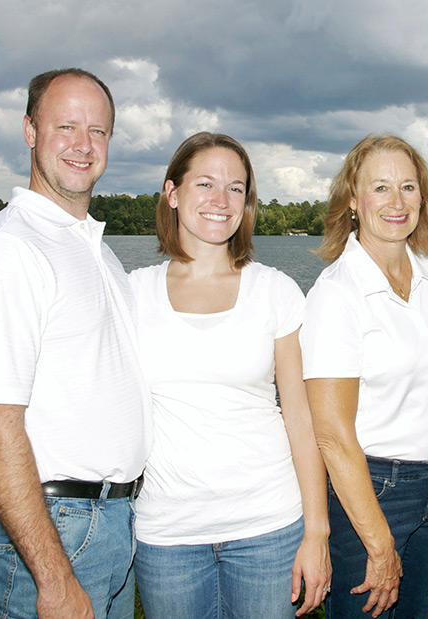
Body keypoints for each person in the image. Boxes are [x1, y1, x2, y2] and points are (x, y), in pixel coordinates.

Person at [0, 68, 151, 619]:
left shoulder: (93, 249)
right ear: (30, 131)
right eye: (66, 126)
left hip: (110, 521)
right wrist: (54, 578)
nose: (83, 145)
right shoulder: (12, 251)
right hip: (56, 528)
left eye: (99, 131)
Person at [128, 132, 330, 618]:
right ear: (172, 194)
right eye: (205, 184)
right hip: (168, 533)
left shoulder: (276, 290)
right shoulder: (132, 293)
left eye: (236, 188)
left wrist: (317, 531)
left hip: (268, 527)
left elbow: (301, 419)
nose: (221, 200)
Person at [300, 135, 428, 618]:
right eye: (381, 187)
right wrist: (379, 542)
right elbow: (331, 434)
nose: (397, 202)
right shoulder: (337, 294)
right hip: (373, 493)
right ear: (353, 200)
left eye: (408, 187)